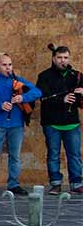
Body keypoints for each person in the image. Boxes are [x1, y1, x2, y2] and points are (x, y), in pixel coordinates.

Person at [0, 54, 41, 196]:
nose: (8, 68)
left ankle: (14, 184)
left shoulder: (19, 81)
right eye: (4, 65)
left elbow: (37, 92)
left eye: (10, 65)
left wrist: (23, 97)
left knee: (15, 156)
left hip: (16, 124)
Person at [36, 44, 83, 195]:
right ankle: (55, 183)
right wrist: (62, 99)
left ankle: (76, 183)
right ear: (53, 58)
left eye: (66, 58)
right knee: (53, 154)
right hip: (52, 122)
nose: (63, 61)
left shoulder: (76, 75)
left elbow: (80, 101)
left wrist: (81, 93)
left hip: (72, 123)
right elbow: (43, 97)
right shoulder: (44, 76)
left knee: (74, 154)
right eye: (60, 58)